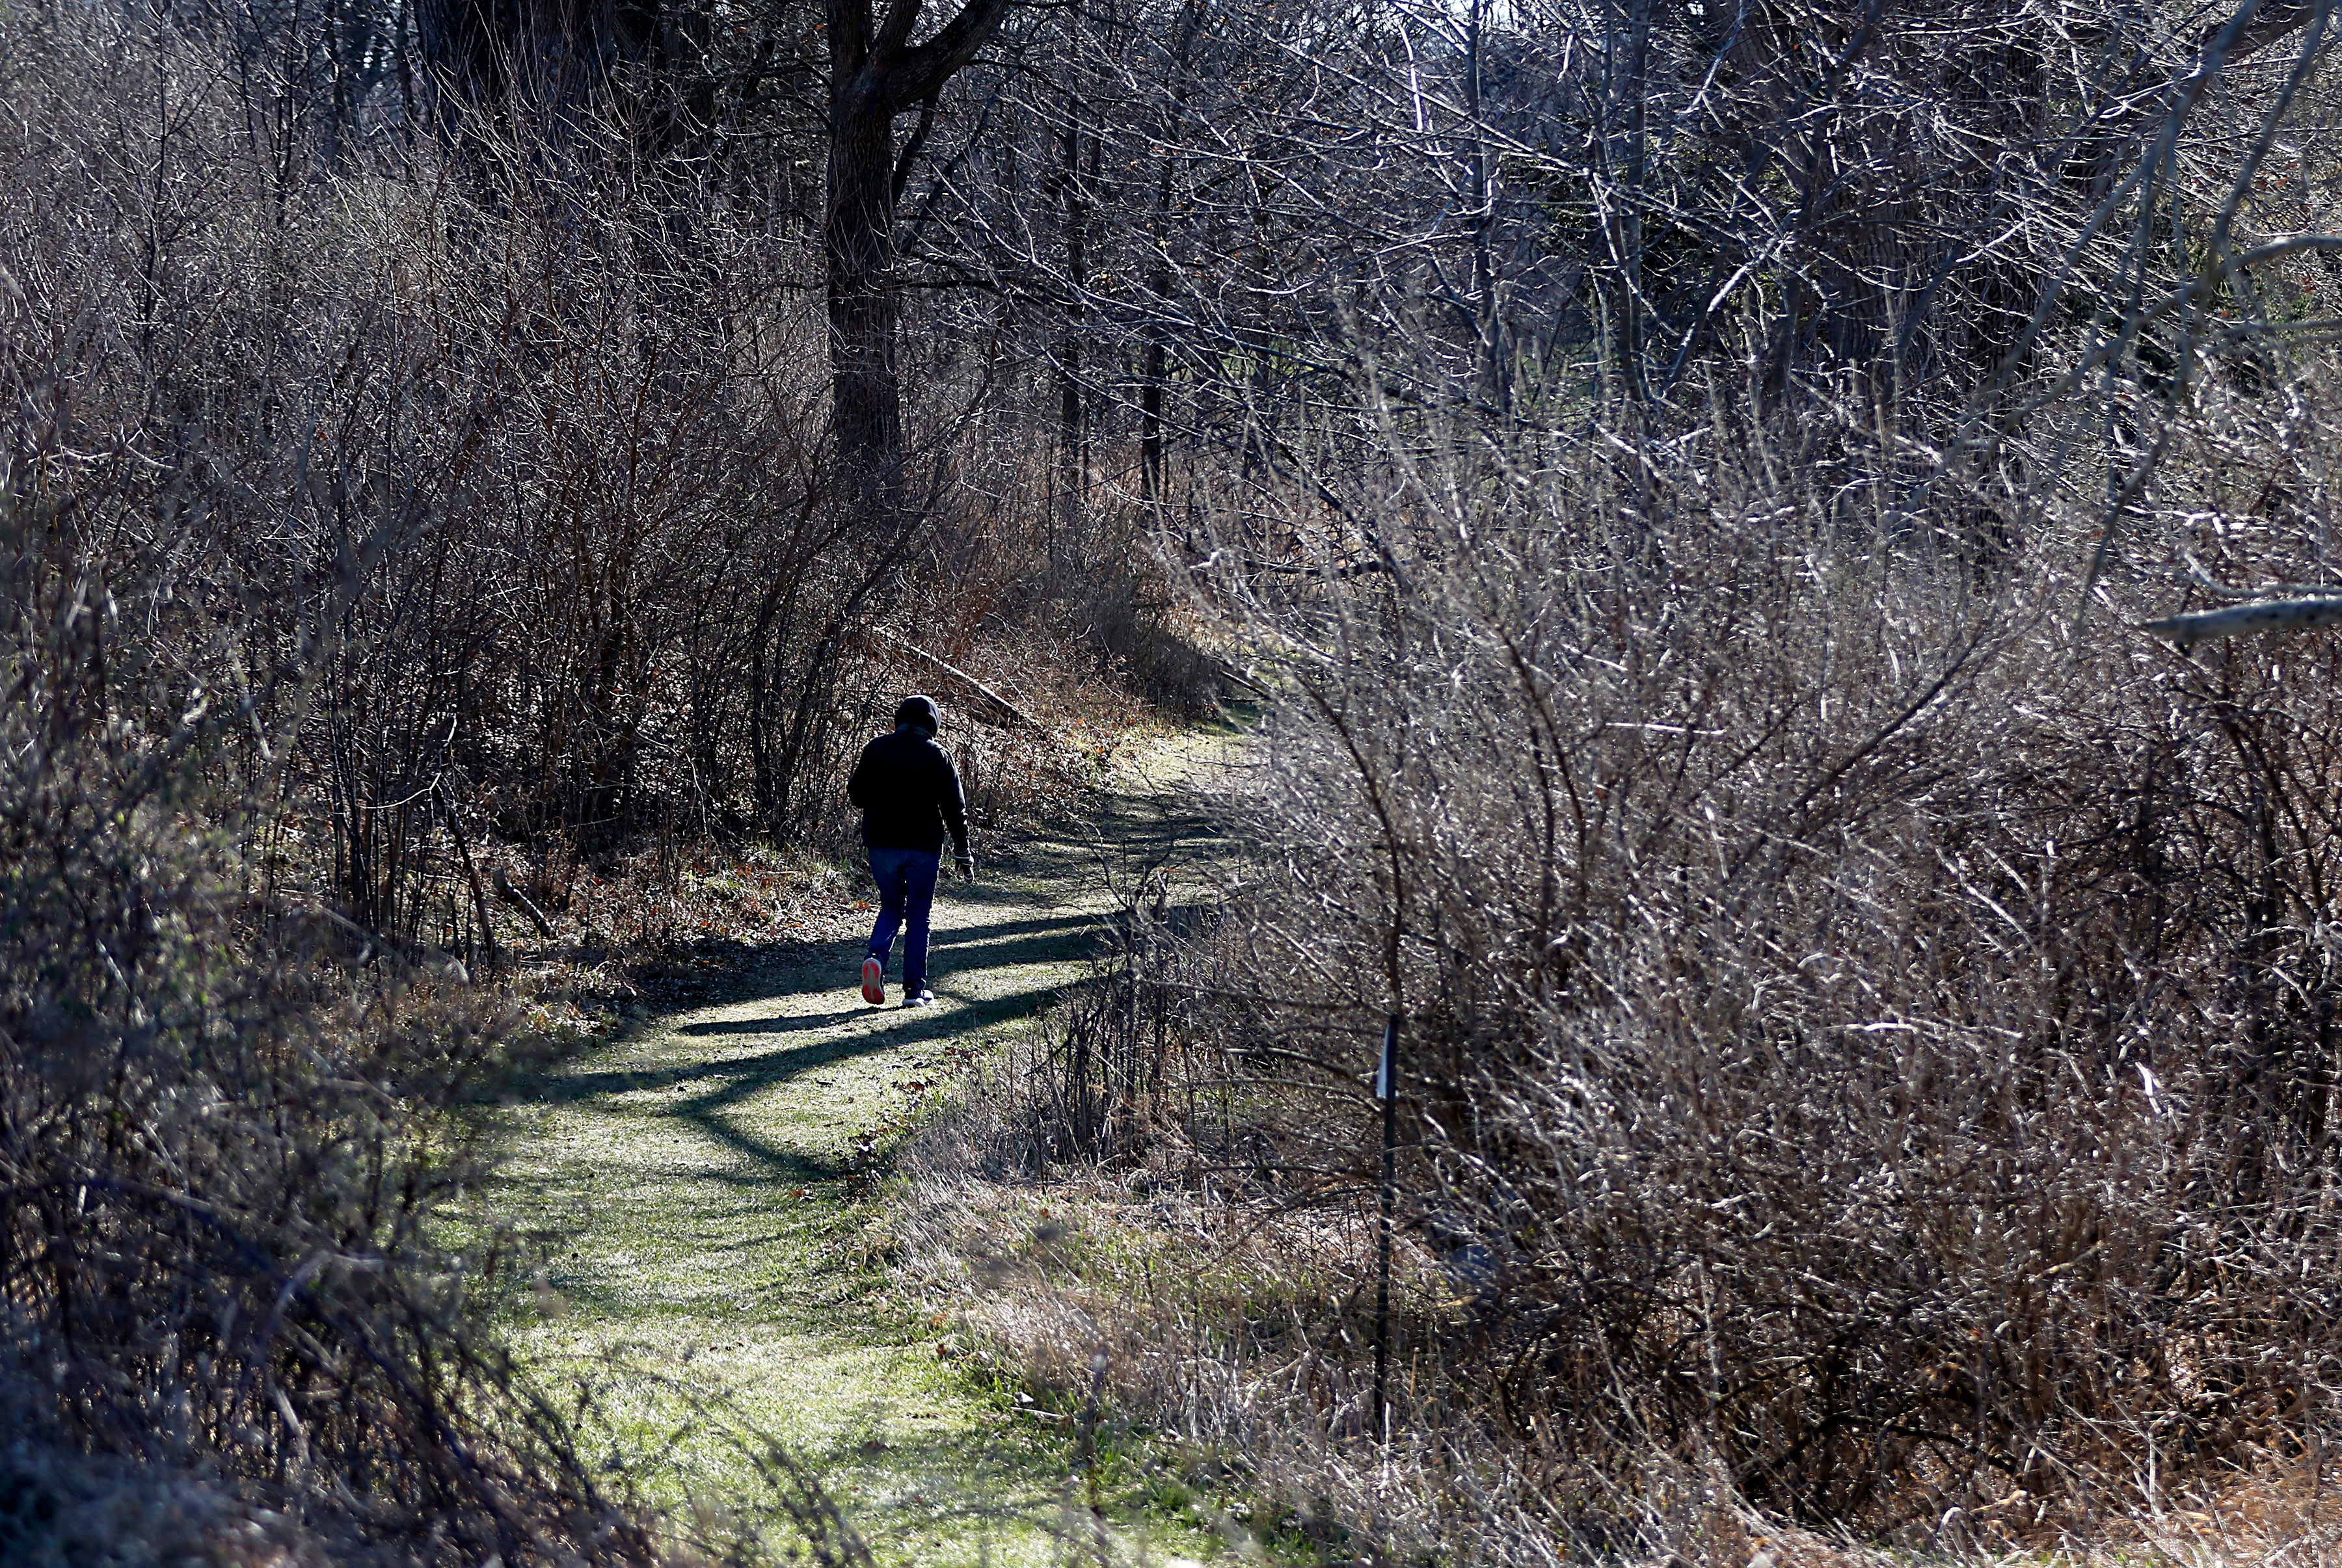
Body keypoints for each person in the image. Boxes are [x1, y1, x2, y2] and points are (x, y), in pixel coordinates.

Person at [848, 694, 974, 1007]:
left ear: (899, 720)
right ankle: (915, 991)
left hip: (881, 844)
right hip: (923, 846)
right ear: (933, 724)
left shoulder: (876, 748)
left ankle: (876, 958)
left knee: (891, 907)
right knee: (918, 915)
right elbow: (954, 810)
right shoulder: (938, 756)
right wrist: (963, 852)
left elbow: (857, 796)